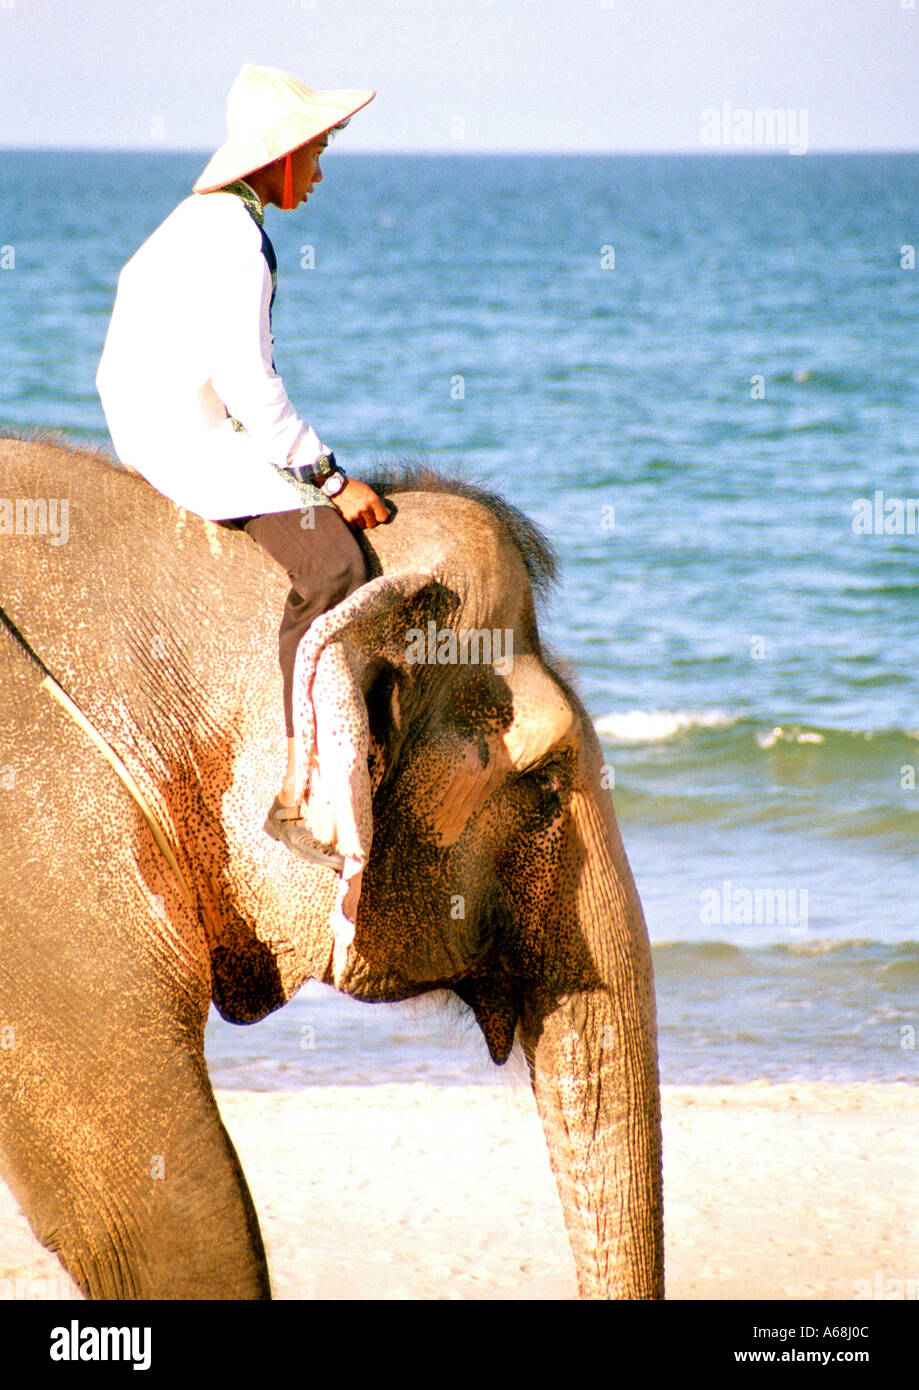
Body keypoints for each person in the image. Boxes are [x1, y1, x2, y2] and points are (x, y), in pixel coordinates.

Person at [96, 64, 390, 871]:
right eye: (318, 152)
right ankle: (298, 791)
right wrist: (331, 479)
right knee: (331, 565)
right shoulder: (235, 242)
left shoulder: (203, 221)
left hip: (163, 417)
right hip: (183, 434)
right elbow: (250, 384)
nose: (322, 171)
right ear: (281, 155)